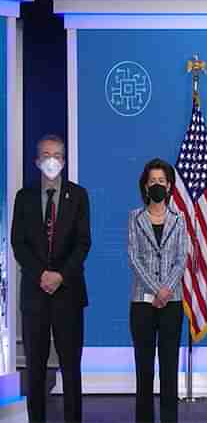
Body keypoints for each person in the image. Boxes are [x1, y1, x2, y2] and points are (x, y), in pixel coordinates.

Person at [11, 134, 91, 422]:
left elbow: (83, 243)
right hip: (35, 295)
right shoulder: (24, 197)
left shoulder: (78, 196)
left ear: (65, 161)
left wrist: (59, 275)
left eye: (57, 155)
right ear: (36, 161)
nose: (52, 160)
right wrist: (41, 274)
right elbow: (18, 243)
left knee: (71, 368)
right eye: (46, 154)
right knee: (35, 367)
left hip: (68, 293)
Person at [128, 158, 187, 423]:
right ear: (145, 185)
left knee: (169, 370)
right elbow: (134, 257)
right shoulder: (134, 218)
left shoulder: (179, 219)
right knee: (144, 370)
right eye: (152, 181)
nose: (157, 185)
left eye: (161, 181)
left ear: (170, 185)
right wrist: (155, 290)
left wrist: (166, 290)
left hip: (172, 303)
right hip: (142, 303)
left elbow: (181, 258)